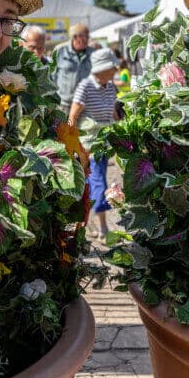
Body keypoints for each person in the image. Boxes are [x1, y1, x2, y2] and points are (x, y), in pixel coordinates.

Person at [68, 48, 122, 240]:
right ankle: (102, 227)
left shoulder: (109, 87)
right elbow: (72, 117)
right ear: (102, 69)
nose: (115, 71)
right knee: (98, 183)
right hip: (88, 144)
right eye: (112, 68)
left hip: (104, 144)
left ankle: (85, 224)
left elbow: (113, 114)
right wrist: (70, 143)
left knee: (91, 184)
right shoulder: (86, 86)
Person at [52, 23, 94, 115]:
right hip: (63, 105)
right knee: (62, 129)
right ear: (75, 37)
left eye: (88, 36)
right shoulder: (60, 50)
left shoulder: (93, 53)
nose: (88, 39)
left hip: (84, 106)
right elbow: (52, 77)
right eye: (85, 37)